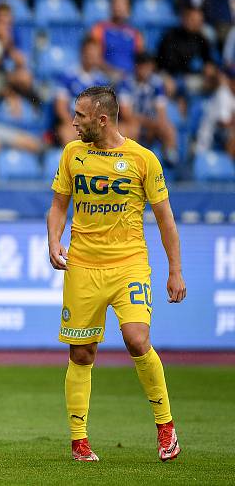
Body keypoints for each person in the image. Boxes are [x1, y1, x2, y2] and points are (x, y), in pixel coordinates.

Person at [47, 85, 186, 462]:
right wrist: (53, 241)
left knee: (137, 339)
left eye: (80, 115)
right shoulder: (72, 154)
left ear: (102, 119)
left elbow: (165, 220)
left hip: (129, 265)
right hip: (83, 266)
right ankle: (79, 441)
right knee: (82, 352)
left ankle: (165, 426)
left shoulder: (143, 160)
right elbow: (59, 205)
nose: (73, 122)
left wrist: (175, 270)